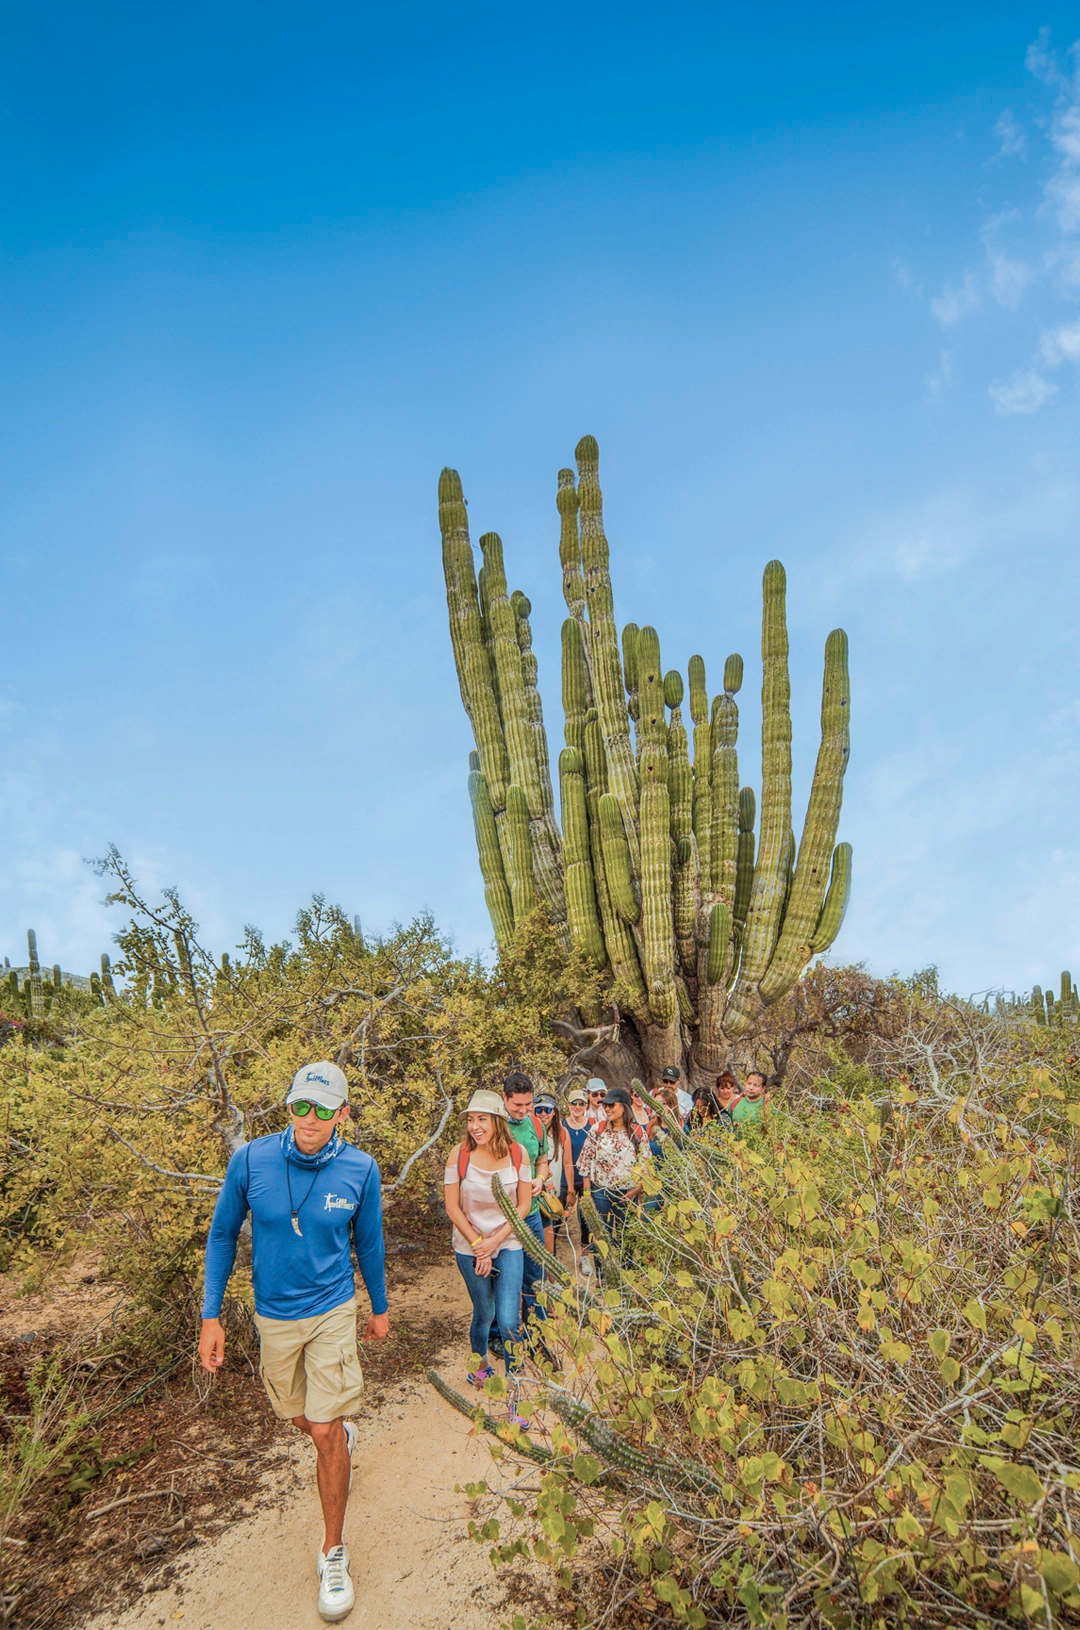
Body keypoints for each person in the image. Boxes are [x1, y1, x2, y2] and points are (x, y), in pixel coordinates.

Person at [199, 1061, 389, 1624]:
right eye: (302, 1105)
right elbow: (222, 1234)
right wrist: (212, 1316)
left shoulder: (361, 1168)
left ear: (343, 1114)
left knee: (324, 1428)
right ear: (288, 1106)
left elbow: (371, 1242)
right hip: (273, 1317)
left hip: (332, 1308)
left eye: (325, 1109)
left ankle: (333, 1551)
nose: (311, 1118)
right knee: (298, 1417)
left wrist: (378, 1308)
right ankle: (336, 1433)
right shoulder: (251, 1159)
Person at [443, 1090, 533, 1424]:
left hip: (508, 1242)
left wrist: (494, 1241)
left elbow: (523, 1205)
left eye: (482, 1119)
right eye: (470, 1119)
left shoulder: (518, 1153)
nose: (475, 1126)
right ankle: (479, 1364)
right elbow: (452, 1206)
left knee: (509, 1320)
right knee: (485, 1311)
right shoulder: (459, 1155)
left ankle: (515, 1394)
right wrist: (479, 1244)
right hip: (469, 1245)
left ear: (497, 1120)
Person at [501, 1073, 550, 1330]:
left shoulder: (536, 1125)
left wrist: (540, 1179)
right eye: (517, 1105)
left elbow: (542, 1159)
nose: (523, 1110)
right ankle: (499, 1332)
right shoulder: (492, 1125)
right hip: (501, 1216)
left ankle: (536, 1330)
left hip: (530, 1212)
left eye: (527, 1104)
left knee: (535, 1275)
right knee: (501, 1279)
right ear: (504, 1098)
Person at [578, 1087, 648, 1250]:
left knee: (627, 1236)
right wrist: (587, 1194)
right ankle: (603, 1274)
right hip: (601, 1191)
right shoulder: (598, 1129)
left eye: (611, 1105)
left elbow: (646, 1165)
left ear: (624, 1106)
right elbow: (585, 1162)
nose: (607, 1109)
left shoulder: (637, 1132)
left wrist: (637, 1190)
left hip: (628, 1193)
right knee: (602, 1236)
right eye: (606, 1105)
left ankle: (626, 1270)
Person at [535, 1093, 572, 1254]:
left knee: (551, 1236)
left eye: (547, 1110)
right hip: (535, 1193)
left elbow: (567, 1163)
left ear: (554, 1112)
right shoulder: (532, 1132)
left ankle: (551, 1275)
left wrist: (570, 1190)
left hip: (554, 1193)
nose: (543, 1113)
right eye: (539, 1109)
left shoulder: (562, 1133)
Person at [562, 1088, 592, 1257]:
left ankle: (585, 1254)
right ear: (568, 1105)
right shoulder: (561, 1125)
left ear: (586, 1105)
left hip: (586, 1178)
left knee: (586, 1216)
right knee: (558, 1212)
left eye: (581, 1103)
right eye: (574, 1103)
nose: (578, 1107)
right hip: (566, 1177)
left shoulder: (592, 1125)